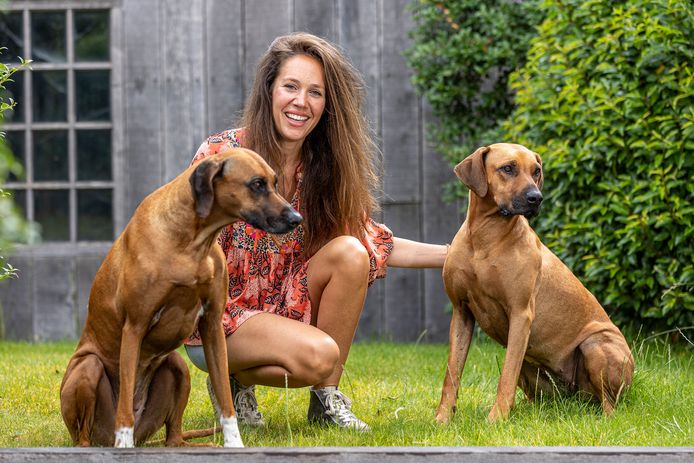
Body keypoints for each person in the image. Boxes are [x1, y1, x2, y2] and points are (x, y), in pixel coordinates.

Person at [184, 32, 447, 431]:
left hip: (281, 310)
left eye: (315, 93)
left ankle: (325, 402)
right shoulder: (223, 156)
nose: (301, 102)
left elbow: (375, 240)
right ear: (269, 89)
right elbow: (182, 240)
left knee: (351, 252)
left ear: (327, 106)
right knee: (323, 355)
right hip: (218, 319)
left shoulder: (321, 170)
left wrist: (460, 253)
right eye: (290, 86)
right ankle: (231, 379)